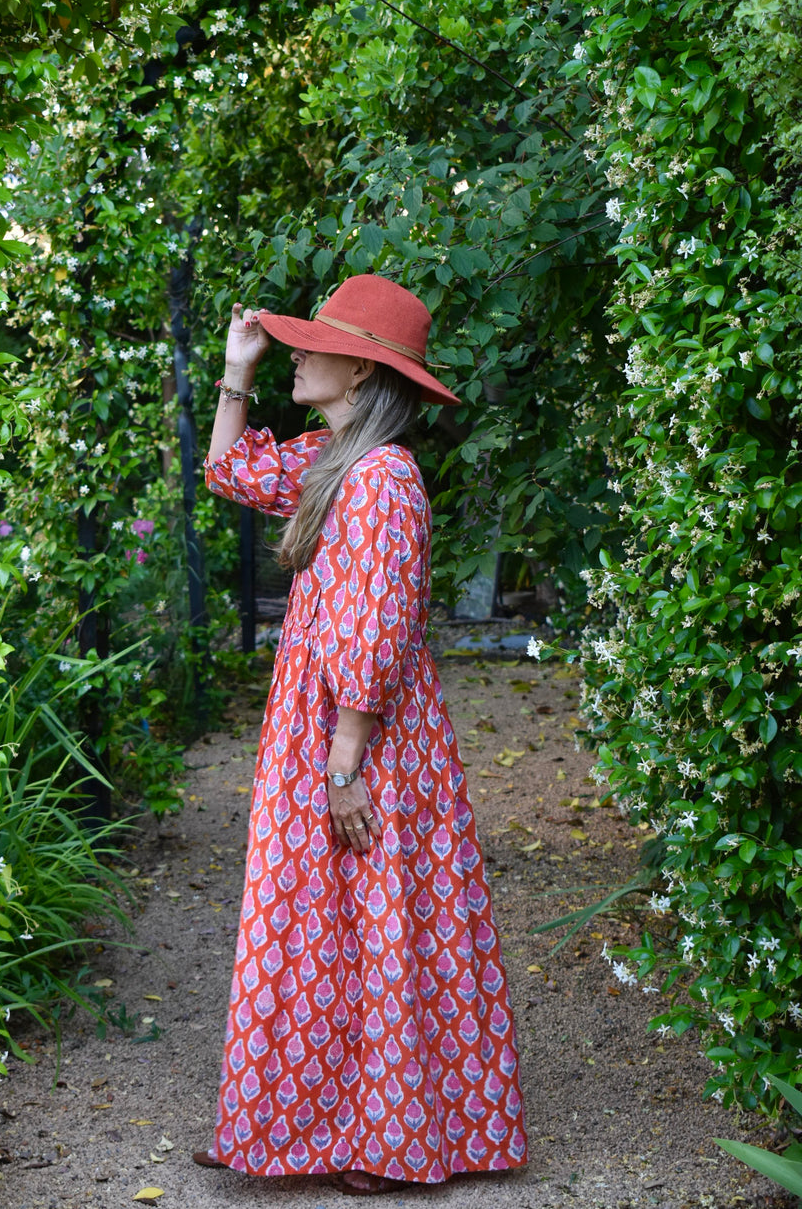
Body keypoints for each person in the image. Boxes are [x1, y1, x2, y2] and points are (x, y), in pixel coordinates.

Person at [197, 274, 526, 1195]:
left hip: (358, 731)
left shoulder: (383, 478)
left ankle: (384, 1138)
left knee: (372, 922)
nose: (300, 353)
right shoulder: (333, 459)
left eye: (319, 346)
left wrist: (344, 763)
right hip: (324, 721)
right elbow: (228, 472)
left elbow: (375, 630)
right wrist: (237, 370)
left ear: (362, 371)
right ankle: (293, 1127)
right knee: (318, 923)